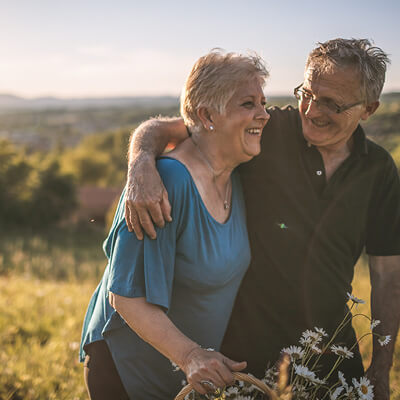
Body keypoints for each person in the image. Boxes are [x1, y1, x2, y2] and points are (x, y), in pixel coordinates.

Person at [125, 38, 400, 399]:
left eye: (332, 103)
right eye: (307, 92)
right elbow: (181, 126)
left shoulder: (379, 170)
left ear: (368, 109)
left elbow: (388, 276)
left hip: (332, 354)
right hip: (242, 355)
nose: (311, 110)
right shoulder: (264, 129)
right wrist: (141, 162)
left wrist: (381, 368)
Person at [79, 50, 270, 400]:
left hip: (184, 374)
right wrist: (191, 355)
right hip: (128, 372)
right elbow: (126, 296)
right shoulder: (166, 182)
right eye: (248, 103)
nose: (264, 114)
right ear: (207, 115)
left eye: (263, 101)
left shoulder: (235, 172)